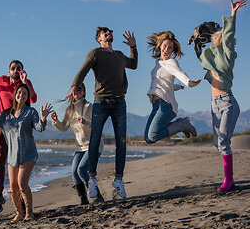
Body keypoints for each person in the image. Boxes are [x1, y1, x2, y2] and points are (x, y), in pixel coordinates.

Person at [66, 27, 138, 199]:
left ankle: (118, 180)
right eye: (104, 33)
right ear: (99, 39)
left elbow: (133, 65)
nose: (108, 33)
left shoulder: (120, 55)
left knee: (121, 142)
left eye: (109, 32)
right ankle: (92, 179)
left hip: (120, 102)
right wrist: (74, 85)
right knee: (94, 140)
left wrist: (133, 47)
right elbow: (83, 70)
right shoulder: (95, 53)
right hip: (101, 103)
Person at [190, 0, 246, 192]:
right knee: (217, 142)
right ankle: (228, 178)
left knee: (223, 141)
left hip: (227, 103)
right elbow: (203, 57)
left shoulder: (228, 54)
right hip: (214, 104)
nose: (219, 37)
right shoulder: (212, 56)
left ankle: (229, 181)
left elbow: (229, 36)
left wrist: (232, 14)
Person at [0, 84, 53, 223]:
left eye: (25, 94)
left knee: (22, 183)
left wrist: (43, 119)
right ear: (15, 95)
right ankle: (19, 213)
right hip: (13, 156)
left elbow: (39, 128)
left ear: (27, 97)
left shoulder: (31, 112)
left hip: (28, 154)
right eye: (19, 92)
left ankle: (29, 212)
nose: (22, 95)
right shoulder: (5, 115)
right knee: (13, 186)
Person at [0, 60, 37, 214]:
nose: (16, 70)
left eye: (19, 68)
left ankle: (23, 203)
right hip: (4, 123)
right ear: (9, 70)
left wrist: (25, 83)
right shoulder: (1, 80)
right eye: (13, 68)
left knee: (20, 162)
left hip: (20, 126)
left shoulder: (25, 82)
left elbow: (33, 99)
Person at [51, 83, 105, 205]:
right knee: (74, 172)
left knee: (81, 170)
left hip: (94, 144)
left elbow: (99, 125)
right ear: (71, 93)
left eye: (79, 90)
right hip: (80, 146)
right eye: (74, 90)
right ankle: (83, 200)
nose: (76, 92)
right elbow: (64, 127)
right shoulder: (70, 110)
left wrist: (86, 122)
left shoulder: (89, 106)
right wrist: (55, 121)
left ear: (84, 92)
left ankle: (97, 195)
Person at [144, 31, 201, 144]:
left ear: (172, 50)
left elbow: (180, 73)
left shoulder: (171, 62)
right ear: (160, 45)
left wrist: (189, 82)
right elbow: (165, 84)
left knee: (153, 135)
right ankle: (181, 124)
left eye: (170, 48)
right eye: (165, 46)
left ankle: (181, 125)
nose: (166, 49)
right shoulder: (158, 63)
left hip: (166, 105)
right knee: (148, 138)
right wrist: (177, 87)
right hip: (156, 105)